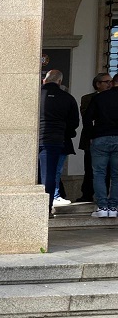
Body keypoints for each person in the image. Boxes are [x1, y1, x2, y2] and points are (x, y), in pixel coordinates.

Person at [38, 70, 79, 217]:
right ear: (60, 82)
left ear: (44, 80)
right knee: (48, 175)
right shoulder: (67, 98)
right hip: (54, 141)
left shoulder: (35, 95)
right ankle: (45, 209)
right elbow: (74, 122)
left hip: (33, 139)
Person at [82, 75, 118, 217]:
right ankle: (114, 207)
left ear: (113, 83)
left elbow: (87, 119)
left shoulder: (99, 98)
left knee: (98, 173)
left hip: (100, 138)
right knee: (116, 175)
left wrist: (91, 135)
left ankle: (102, 207)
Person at [77, 73, 113, 202]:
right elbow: (87, 118)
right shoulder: (88, 98)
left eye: (111, 81)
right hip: (92, 138)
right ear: (98, 84)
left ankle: (105, 195)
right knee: (90, 168)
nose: (110, 84)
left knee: (108, 169)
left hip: (109, 137)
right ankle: (87, 194)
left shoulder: (114, 97)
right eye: (106, 82)